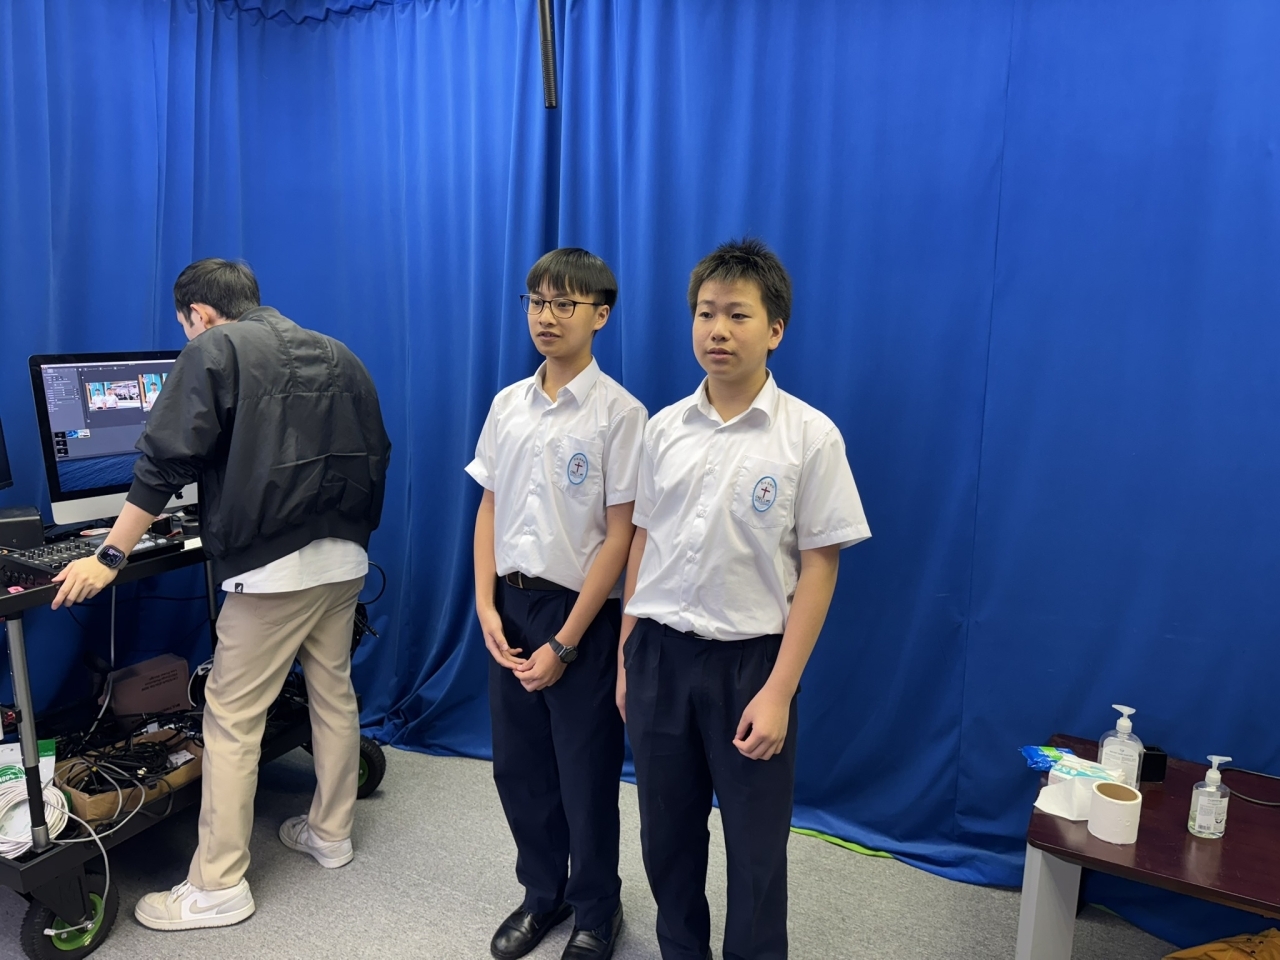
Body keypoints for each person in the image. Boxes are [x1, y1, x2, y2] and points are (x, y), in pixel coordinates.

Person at [52, 258, 391, 931]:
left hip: (273, 572)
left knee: (232, 720)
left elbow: (163, 463)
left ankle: (217, 886)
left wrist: (110, 555)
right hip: (346, 557)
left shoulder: (215, 348)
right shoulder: (341, 353)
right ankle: (330, 834)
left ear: (199, 314)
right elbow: (375, 451)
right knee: (332, 693)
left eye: (186, 326)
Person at [618, 239, 871, 960]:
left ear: (775, 329)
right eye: (705, 313)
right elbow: (642, 543)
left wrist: (779, 691)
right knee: (666, 836)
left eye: (737, 314)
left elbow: (820, 568)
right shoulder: (663, 429)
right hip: (659, 654)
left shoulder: (809, 437)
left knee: (756, 849)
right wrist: (626, 656)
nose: (718, 330)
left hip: (750, 667)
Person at [467, 248, 646, 960]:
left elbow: (621, 536)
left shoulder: (619, 414)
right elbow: (489, 507)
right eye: (537, 301)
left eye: (564, 303)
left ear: (600, 315)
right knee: (520, 768)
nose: (546, 316)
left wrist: (567, 641)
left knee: (584, 773)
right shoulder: (507, 404)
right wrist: (485, 605)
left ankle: (598, 908)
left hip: (581, 618)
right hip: (509, 608)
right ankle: (543, 894)